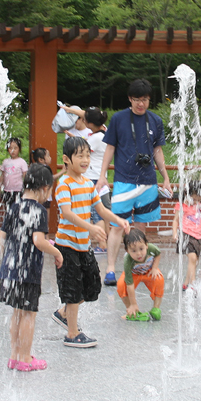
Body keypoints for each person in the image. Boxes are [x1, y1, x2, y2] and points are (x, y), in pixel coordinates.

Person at [53, 136, 130, 348]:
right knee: (73, 288)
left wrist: (119, 220)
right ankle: (72, 334)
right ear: (66, 159)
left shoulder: (88, 184)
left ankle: (63, 312)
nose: (86, 160)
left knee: (92, 286)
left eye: (88, 155)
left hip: (82, 246)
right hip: (66, 246)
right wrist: (91, 228)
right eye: (80, 156)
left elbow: (102, 210)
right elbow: (67, 213)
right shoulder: (63, 185)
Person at [96, 79, 172, 286]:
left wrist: (165, 178)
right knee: (117, 226)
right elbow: (110, 147)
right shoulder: (119, 119)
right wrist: (103, 174)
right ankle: (111, 269)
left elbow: (158, 151)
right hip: (124, 182)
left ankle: (139, 265)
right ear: (130, 99)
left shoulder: (155, 120)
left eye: (145, 99)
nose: (141, 103)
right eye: (137, 99)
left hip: (148, 182)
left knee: (139, 228)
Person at [0, 164, 63, 371]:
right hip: (28, 272)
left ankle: (14, 355)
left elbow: (2, 237)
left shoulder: (14, 207)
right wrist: (57, 252)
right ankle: (25, 358)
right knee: (29, 314)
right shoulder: (39, 211)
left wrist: (9, 255)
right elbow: (38, 240)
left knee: (17, 312)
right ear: (44, 188)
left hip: (10, 269)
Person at [117, 228, 164, 321]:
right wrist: (133, 304)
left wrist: (154, 268)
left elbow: (158, 254)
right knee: (121, 285)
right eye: (134, 251)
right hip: (134, 274)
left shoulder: (151, 248)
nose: (139, 254)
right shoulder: (128, 260)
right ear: (127, 250)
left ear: (146, 245)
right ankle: (131, 310)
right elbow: (129, 285)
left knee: (159, 279)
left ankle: (156, 308)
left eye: (141, 249)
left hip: (148, 271)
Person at [83, 108, 111, 254]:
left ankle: (102, 244)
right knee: (101, 211)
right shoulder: (104, 132)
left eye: (85, 119)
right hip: (101, 177)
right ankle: (105, 243)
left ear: (90, 123)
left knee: (96, 213)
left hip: (93, 178)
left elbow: (81, 151)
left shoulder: (95, 138)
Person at [171, 179, 201, 290]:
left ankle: (186, 283)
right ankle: (193, 284)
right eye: (193, 198)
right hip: (185, 235)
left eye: (198, 199)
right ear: (187, 194)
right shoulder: (182, 205)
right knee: (192, 258)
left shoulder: (198, 205)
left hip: (197, 236)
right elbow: (176, 220)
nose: (195, 201)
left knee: (195, 261)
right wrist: (175, 233)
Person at [0, 137, 27, 214]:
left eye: (15, 148)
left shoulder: (22, 162)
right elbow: (2, 176)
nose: (12, 150)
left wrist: (26, 189)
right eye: (10, 148)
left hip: (18, 191)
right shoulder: (5, 162)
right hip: (7, 190)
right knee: (8, 211)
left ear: (19, 149)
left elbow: (25, 176)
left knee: (17, 210)